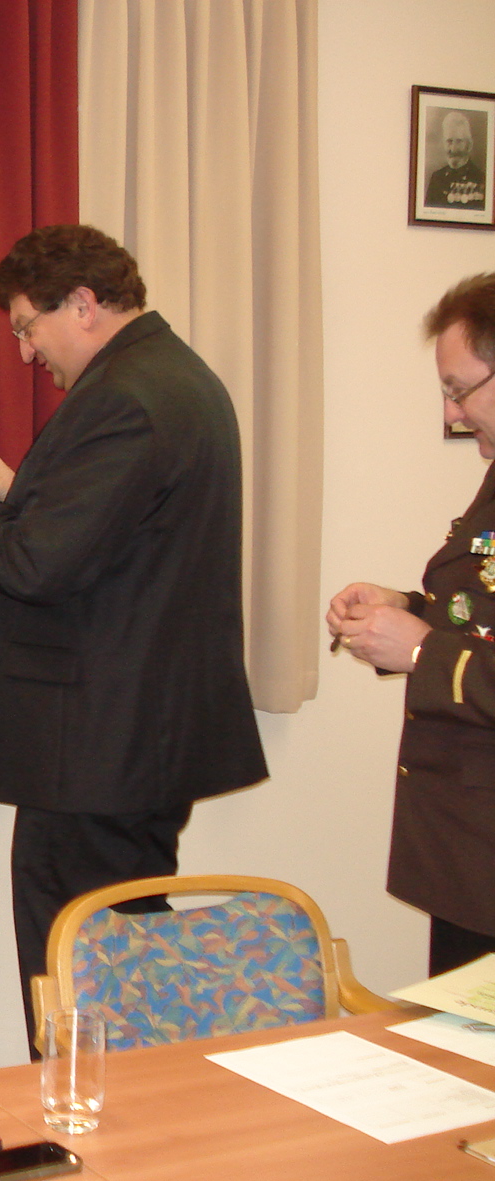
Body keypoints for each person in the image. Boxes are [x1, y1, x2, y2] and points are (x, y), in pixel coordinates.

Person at [0, 224, 266, 1033]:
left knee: (74, 974)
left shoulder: (120, 399)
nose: (24, 351)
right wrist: (21, 494)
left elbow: (37, 566)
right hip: (139, 742)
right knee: (129, 967)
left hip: (95, 751)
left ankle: (75, 1106)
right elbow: (119, 541)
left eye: (27, 326)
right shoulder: (180, 378)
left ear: (82, 304)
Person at [328, 272, 495, 976]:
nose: (452, 412)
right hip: (470, 850)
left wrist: (424, 652)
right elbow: (479, 612)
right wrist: (404, 608)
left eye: (460, 390)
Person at [425, 111, 487, 210]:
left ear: (469, 145)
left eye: (459, 141)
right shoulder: (436, 178)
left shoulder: (481, 179)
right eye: (449, 141)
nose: (453, 149)